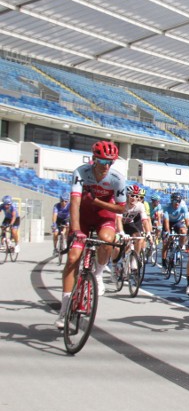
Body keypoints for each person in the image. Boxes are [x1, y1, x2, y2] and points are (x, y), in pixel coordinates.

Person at [56, 140, 126, 328]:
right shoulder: (81, 172)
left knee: (107, 240)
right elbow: (75, 203)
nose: (106, 166)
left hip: (105, 217)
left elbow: (121, 209)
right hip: (83, 218)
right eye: (103, 162)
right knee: (72, 258)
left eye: (110, 163)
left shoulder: (117, 178)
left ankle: (98, 274)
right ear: (93, 159)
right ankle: (64, 309)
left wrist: (97, 202)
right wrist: (76, 230)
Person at [162, 193, 189, 264]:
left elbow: (187, 220)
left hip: (178, 222)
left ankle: (179, 248)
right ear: (172, 201)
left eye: (178, 201)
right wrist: (168, 232)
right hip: (169, 223)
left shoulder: (183, 207)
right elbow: (166, 221)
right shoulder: (167, 207)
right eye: (175, 201)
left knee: (184, 231)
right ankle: (164, 261)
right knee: (166, 243)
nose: (177, 203)